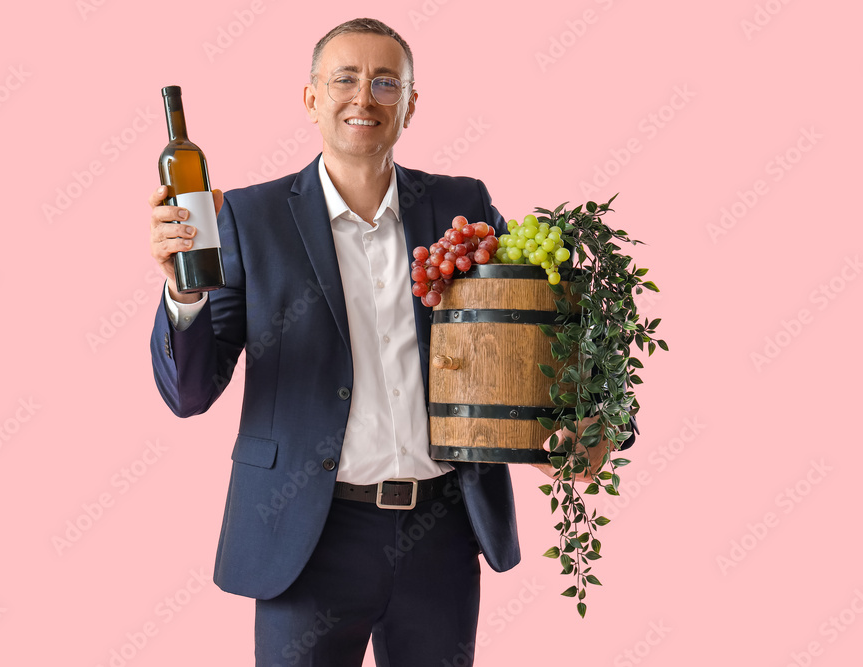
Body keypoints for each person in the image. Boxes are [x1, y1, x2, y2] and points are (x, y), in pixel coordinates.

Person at [147, 18, 633, 666]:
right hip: (307, 537)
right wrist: (184, 295)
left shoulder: (463, 205)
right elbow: (190, 393)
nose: (364, 97)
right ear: (311, 97)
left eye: (385, 82)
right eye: (344, 79)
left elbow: (527, 335)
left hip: (441, 532)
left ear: (410, 102)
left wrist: (587, 421)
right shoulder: (249, 217)